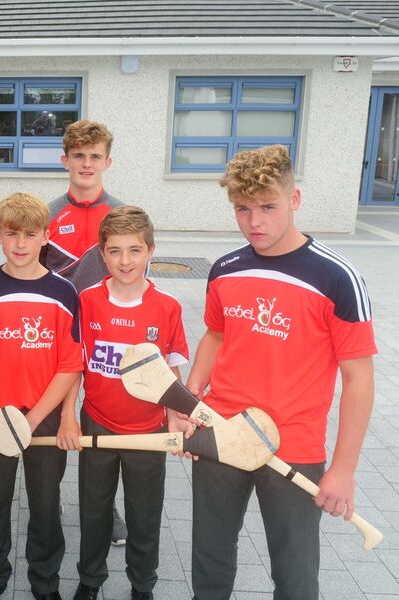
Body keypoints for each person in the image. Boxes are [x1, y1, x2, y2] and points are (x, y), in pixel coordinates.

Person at [186, 144, 377, 600]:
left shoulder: (337, 277)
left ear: (294, 199)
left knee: (294, 576)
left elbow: (359, 379)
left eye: (268, 207)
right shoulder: (225, 269)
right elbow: (215, 336)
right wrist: (191, 400)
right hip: (222, 433)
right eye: (242, 208)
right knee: (210, 561)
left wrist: (343, 469)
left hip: (294, 448)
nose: (254, 221)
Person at [58, 206, 192, 600]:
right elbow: (75, 366)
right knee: (94, 511)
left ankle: (142, 585)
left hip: (147, 433)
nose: (125, 261)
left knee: (144, 514)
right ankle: (90, 580)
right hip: (97, 424)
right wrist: (68, 417)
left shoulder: (167, 307)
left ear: (151, 251)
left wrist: (176, 417)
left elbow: (171, 371)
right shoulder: (87, 301)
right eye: (115, 251)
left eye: (135, 250)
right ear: (102, 254)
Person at [0, 193, 83, 600]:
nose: (21, 243)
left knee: (45, 504)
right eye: (12, 234)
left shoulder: (64, 292)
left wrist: (30, 421)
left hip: (42, 418)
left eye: (30, 234)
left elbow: (70, 365)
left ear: (46, 236)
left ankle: (45, 581)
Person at [42, 119, 128, 543]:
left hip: (106, 337)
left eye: (95, 156)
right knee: (57, 419)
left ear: (108, 161)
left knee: (103, 423)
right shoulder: (47, 214)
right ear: (65, 160)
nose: (87, 163)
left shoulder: (123, 215)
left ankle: (104, 506)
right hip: (57, 338)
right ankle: (49, 496)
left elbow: (136, 276)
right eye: (79, 156)